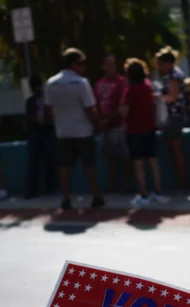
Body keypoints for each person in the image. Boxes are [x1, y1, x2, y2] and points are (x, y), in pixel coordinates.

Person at [45, 47, 104, 210]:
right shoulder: (81, 83)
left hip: (63, 131)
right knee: (89, 164)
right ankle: (96, 196)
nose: (84, 67)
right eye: (82, 63)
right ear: (73, 64)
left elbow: (49, 110)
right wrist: (97, 125)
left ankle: (65, 198)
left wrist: (57, 124)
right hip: (83, 130)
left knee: (65, 167)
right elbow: (90, 108)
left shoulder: (51, 83)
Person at [121, 58, 170, 207]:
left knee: (138, 164)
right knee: (153, 161)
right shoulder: (148, 87)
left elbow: (124, 112)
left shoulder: (129, 91)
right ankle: (158, 192)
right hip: (150, 128)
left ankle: (143, 195)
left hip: (134, 130)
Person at [95, 54, 130, 194]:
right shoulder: (98, 83)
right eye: (108, 64)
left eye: (113, 64)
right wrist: (99, 120)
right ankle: (113, 184)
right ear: (103, 66)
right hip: (104, 127)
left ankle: (127, 184)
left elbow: (123, 102)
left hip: (118, 125)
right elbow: (95, 103)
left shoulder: (121, 82)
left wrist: (110, 118)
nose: (111, 67)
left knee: (124, 156)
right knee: (110, 157)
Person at [155, 46, 188, 191]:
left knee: (176, 150)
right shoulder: (167, 76)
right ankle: (178, 180)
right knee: (171, 151)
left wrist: (156, 97)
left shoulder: (174, 75)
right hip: (168, 117)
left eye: (161, 64)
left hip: (175, 116)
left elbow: (172, 96)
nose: (159, 67)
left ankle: (182, 182)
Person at [24, 74, 57, 199]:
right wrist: (34, 120)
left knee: (49, 160)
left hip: (48, 131)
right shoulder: (30, 101)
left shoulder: (47, 100)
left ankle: (50, 187)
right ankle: (31, 190)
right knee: (33, 162)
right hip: (35, 133)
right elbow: (27, 118)